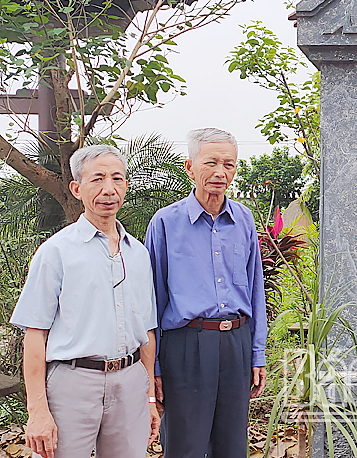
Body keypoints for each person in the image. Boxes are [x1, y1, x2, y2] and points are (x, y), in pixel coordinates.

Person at [11, 145, 160, 458]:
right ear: (77, 189)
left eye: (117, 179)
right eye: (98, 179)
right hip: (72, 384)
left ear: (126, 187)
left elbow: (146, 331)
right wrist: (37, 410)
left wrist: (148, 397)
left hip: (130, 382)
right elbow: (35, 334)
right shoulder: (56, 252)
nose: (109, 189)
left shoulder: (139, 254)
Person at [145, 128, 266, 457]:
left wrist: (257, 353)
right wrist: (153, 367)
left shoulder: (244, 219)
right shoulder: (165, 223)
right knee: (185, 446)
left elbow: (256, 291)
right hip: (186, 346)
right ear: (189, 166)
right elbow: (152, 299)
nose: (219, 172)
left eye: (228, 164)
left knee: (231, 446)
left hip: (236, 344)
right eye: (210, 162)